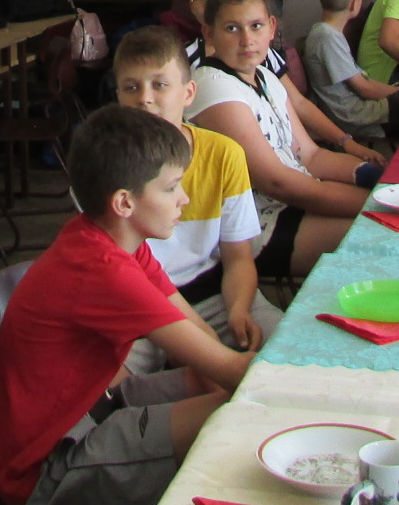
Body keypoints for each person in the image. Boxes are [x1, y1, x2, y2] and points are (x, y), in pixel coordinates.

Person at [0, 105, 252, 505]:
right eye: (171, 188)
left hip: (98, 406)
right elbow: (231, 369)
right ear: (125, 202)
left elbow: (201, 337)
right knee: (238, 417)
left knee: (226, 398)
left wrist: (226, 376)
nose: (184, 198)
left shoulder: (116, 241)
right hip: (50, 466)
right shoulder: (102, 270)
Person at [111, 27, 281, 370]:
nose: (144, 98)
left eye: (160, 85)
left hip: (215, 295)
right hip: (137, 306)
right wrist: (191, 339)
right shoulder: (104, 166)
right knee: (107, 383)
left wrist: (238, 310)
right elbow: (120, 275)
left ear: (188, 93)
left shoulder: (224, 154)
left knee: (283, 354)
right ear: (118, 96)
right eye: (131, 87)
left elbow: (238, 259)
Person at [190, 0, 377, 279]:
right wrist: (377, 202)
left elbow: (311, 155)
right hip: (255, 230)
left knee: (395, 222)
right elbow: (276, 182)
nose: (247, 40)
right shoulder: (212, 85)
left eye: (256, 26)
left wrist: (367, 174)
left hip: (294, 202)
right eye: (232, 28)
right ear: (209, 33)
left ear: (271, 27)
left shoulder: (265, 76)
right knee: (381, 237)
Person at [184, 0, 383, 164]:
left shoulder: (261, 56)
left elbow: (297, 103)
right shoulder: (193, 65)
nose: (210, 2)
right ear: (192, 6)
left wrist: (346, 142)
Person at [304, 0, 399, 143]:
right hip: (361, 117)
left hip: (366, 111)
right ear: (355, 3)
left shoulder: (328, 34)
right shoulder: (326, 37)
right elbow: (364, 89)